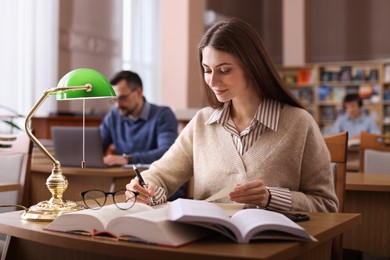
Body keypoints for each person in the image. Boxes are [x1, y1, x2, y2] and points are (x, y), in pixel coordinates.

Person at [126, 18, 338, 213]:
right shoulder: (202, 123)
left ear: (252, 67)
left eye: (224, 70)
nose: (213, 81)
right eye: (207, 70)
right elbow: (160, 175)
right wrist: (145, 189)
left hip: (273, 248)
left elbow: (327, 205)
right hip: (206, 245)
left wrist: (271, 198)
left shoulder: (299, 123)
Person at [100, 70, 185, 200]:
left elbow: (167, 153)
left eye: (122, 98)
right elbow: (97, 146)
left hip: (159, 187)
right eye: (114, 100)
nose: (118, 105)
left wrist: (127, 158)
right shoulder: (114, 116)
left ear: (138, 92)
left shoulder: (163, 115)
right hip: (124, 184)